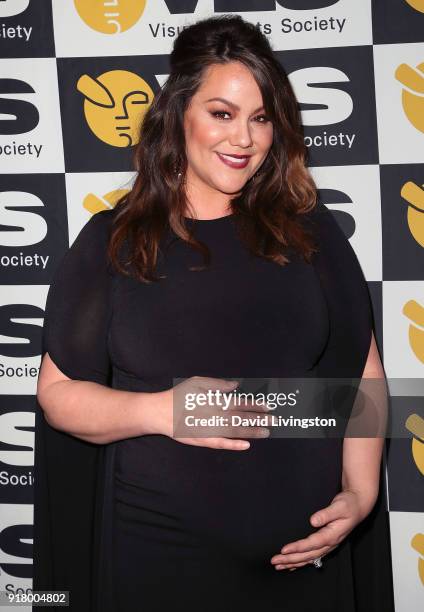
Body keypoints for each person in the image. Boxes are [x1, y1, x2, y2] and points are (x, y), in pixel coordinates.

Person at [34, 14, 395, 612]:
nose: (244, 139)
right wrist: (165, 410)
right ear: (178, 115)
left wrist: (358, 495)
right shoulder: (114, 241)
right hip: (158, 562)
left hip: (304, 560)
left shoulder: (312, 234)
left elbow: (360, 381)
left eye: (261, 118)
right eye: (222, 114)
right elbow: (59, 396)